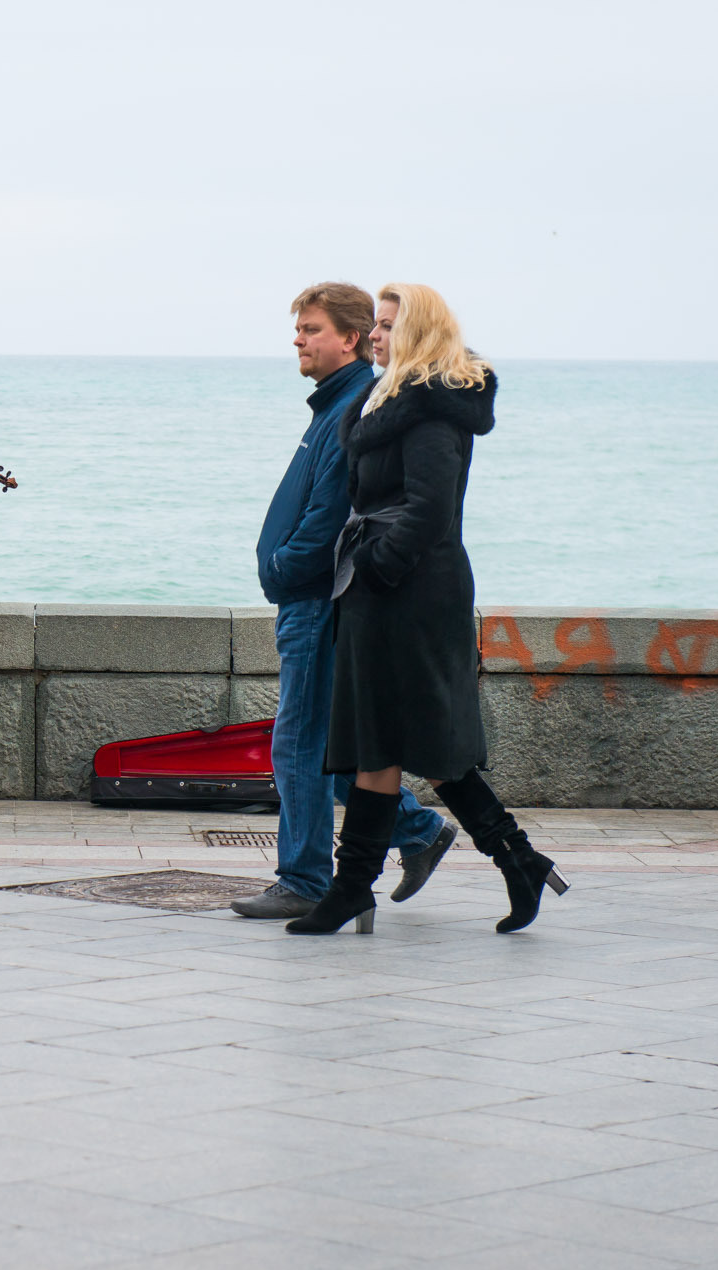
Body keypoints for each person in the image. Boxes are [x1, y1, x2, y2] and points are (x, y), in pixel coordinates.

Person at [287, 283, 569, 936]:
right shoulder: (386, 401)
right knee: (383, 746)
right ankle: (364, 885)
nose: (374, 336)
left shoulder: (432, 409)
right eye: (376, 325)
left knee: (420, 746)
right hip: (380, 591)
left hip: (413, 594)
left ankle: (376, 882)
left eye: (386, 326)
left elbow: (430, 509)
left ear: (415, 333)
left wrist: (377, 567)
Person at [234, 284, 455, 924]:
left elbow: (332, 517)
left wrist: (281, 569)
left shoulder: (350, 407)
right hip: (313, 597)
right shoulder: (336, 405)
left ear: (350, 338)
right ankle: (416, 831)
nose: (298, 340)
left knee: (298, 743)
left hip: (316, 599)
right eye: (299, 329)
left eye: (311, 329)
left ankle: (304, 879)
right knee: (330, 750)